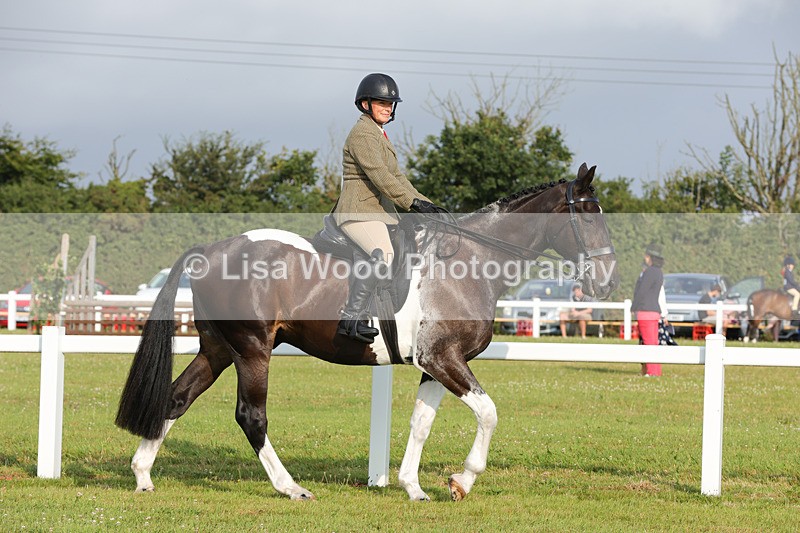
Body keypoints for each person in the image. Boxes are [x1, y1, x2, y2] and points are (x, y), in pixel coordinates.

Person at [332, 73, 446, 343]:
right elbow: (380, 177)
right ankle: (351, 318)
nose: (387, 107)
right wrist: (411, 203)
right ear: (364, 105)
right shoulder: (362, 133)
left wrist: (426, 203)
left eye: (391, 103)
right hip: (358, 212)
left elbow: (398, 178)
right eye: (381, 102)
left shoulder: (379, 134)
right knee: (382, 254)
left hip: (379, 213)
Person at [632, 243, 666, 376]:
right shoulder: (659, 272)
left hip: (645, 310)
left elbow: (642, 291)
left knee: (648, 343)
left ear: (650, 257)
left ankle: (651, 372)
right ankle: (656, 371)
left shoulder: (649, 272)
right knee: (653, 342)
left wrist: (634, 306)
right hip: (654, 310)